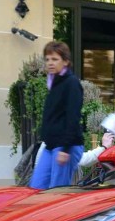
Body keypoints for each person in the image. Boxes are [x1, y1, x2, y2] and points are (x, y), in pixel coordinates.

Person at [29, 41, 84, 189]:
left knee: (57, 192)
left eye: (55, 59)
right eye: (47, 59)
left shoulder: (71, 83)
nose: (50, 63)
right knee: (36, 188)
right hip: (51, 145)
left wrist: (65, 150)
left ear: (66, 61)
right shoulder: (53, 83)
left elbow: (73, 118)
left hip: (67, 146)